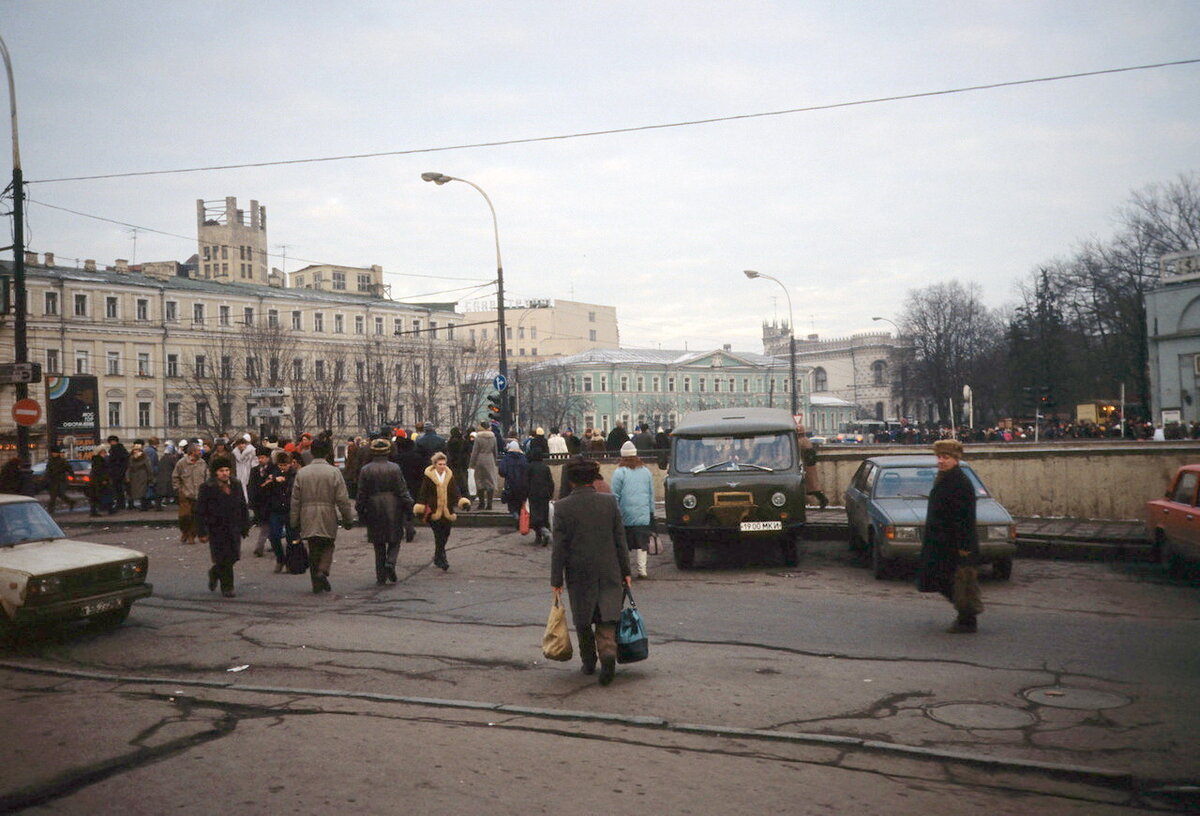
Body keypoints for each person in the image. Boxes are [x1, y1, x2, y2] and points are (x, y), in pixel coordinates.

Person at [551, 459, 632, 686]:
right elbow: (620, 541)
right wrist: (626, 571)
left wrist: (556, 579)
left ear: (571, 480)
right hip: (609, 569)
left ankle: (588, 662)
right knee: (607, 616)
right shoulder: (609, 503)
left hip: (579, 572)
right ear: (594, 479)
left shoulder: (563, 507)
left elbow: (559, 548)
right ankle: (607, 653)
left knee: (584, 619)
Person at [916, 439, 982, 634]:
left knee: (958, 582)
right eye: (939, 457)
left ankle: (967, 619)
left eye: (946, 457)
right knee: (945, 580)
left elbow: (964, 518)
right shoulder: (946, 478)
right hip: (942, 541)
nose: (941, 461)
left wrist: (964, 546)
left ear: (956, 459)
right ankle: (966, 616)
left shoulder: (959, 482)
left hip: (954, 542)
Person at [290, 438, 355, 594]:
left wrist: (294, 521)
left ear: (311, 453)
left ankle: (316, 584)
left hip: (307, 515)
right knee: (328, 544)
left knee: (313, 548)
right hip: (327, 514)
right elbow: (342, 499)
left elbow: (295, 500)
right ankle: (323, 570)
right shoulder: (334, 472)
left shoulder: (302, 473)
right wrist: (348, 519)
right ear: (327, 453)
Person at [356, 437, 414, 585]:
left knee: (378, 543)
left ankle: (380, 576)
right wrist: (409, 505)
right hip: (393, 506)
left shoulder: (366, 469)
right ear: (388, 451)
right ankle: (391, 562)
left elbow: (361, 492)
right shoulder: (395, 468)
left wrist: (360, 508)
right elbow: (402, 489)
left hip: (373, 507)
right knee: (395, 539)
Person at [196, 454, 251, 598]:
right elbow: (200, 511)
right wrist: (202, 531)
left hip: (233, 527)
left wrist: (245, 525)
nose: (225, 473)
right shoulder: (207, 487)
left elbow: (242, 506)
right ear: (215, 472)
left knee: (233, 557)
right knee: (223, 558)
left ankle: (214, 572)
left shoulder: (236, 484)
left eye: (227, 470)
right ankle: (228, 587)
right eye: (221, 471)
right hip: (216, 529)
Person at [412, 451, 471, 571]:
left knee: (446, 534)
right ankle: (442, 559)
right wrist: (420, 507)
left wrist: (463, 503)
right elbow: (423, 493)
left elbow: (455, 492)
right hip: (434, 511)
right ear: (434, 465)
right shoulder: (429, 477)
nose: (442, 466)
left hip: (447, 510)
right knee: (438, 535)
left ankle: (438, 556)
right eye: (440, 464)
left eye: (444, 464)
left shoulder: (449, 475)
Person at [612, 440, 655, 579]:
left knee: (624, 544)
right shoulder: (646, 472)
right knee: (642, 545)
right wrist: (651, 512)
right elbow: (651, 494)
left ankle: (626, 570)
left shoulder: (619, 472)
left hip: (625, 515)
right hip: (643, 514)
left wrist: (615, 513)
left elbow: (615, 495)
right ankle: (642, 570)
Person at [172, 443, 209, 545]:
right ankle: (184, 531)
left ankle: (191, 535)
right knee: (184, 516)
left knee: (195, 518)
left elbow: (207, 477)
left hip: (199, 494)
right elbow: (175, 477)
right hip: (186, 494)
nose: (200, 452)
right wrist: (179, 489)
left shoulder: (202, 463)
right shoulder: (182, 463)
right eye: (198, 450)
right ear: (192, 452)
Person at [247, 447, 278, 558]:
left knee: (268, 526)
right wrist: (252, 502)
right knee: (267, 526)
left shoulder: (274, 469)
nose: (260, 460)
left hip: (271, 502)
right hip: (260, 503)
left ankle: (260, 547)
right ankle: (274, 545)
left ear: (268, 458)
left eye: (262, 457)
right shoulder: (254, 470)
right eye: (259, 458)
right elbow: (251, 487)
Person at [795, 422, 829, 509]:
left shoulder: (800, 441)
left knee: (808, 487)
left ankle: (823, 500)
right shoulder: (806, 440)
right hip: (809, 466)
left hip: (805, 466)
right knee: (812, 487)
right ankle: (822, 500)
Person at [526, 449, 555, 546]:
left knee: (535, 515)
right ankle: (544, 531)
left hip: (533, 494)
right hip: (545, 494)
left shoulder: (529, 467)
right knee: (544, 514)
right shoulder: (545, 467)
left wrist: (524, 494)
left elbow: (526, 482)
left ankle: (541, 535)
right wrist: (551, 493)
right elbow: (550, 482)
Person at [468, 420, 499, 510]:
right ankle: (489, 504)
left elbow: (475, 452)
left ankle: (481, 503)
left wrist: (471, 463)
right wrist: (494, 460)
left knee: (480, 481)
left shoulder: (478, 437)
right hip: (490, 459)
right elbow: (495, 451)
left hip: (480, 460)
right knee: (490, 482)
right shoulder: (493, 437)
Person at [499, 440, 529, 530]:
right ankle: (519, 521)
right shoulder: (524, 458)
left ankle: (515, 516)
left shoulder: (506, 459)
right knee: (520, 504)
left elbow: (502, 471)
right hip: (522, 485)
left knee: (512, 505)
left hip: (510, 484)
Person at [45, 447, 77, 514]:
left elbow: (69, 469)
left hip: (61, 480)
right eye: (53, 453)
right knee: (53, 495)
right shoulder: (50, 461)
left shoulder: (62, 461)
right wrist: (46, 477)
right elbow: (48, 470)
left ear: (58, 453)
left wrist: (73, 476)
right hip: (53, 480)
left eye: (55, 453)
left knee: (60, 494)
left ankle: (71, 502)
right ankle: (51, 510)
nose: (54, 454)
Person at [125, 443, 154, 511]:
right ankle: (144, 506)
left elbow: (129, 468)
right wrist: (150, 477)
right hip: (142, 475)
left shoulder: (131, 458)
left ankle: (143, 506)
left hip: (136, 476)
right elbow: (149, 467)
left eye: (136, 450)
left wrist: (127, 476)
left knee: (141, 491)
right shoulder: (144, 457)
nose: (135, 451)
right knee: (142, 491)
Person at [86, 444, 112, 516]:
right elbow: (100, 471)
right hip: (98, 481)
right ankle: (97, 511)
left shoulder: (98, 460)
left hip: (97, 481)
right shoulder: (99, 460)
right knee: (100, 495)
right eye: (103, 452)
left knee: (97, 496)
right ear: (100, 453)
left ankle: (97, 510)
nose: (105, 454)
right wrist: (103, 479)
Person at [106, 435, 129, 511]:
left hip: (116, 472)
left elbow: (113, 461)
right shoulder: (121, 449)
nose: (111, 443)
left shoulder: (115, 449)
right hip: (119, 472)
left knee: (117, 490)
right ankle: (121, 504)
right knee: (120, 490)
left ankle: (120, 504)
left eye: (111, 442)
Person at [154, 443, 180, 510]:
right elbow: (176, 467)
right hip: (169, 477)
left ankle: (158, 507)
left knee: (160, 493)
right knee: (175, 492)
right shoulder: (172, 458)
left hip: (161, 477)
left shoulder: (163, 458)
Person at [233, 434, 257, 502]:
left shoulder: (252, 452)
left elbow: (255, 463)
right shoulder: (234, 453)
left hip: (249, 473)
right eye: (239, 444)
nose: (241, 446)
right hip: (238, 474)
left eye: (243, 444)